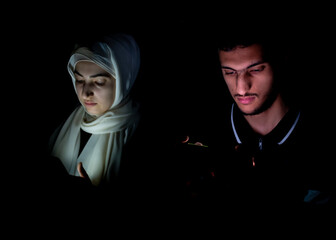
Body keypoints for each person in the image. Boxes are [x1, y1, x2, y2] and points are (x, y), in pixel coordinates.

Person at [175, 32, 335, 218]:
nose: (241, 88)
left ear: (281, 60)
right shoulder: (199, 136)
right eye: (229, 72)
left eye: (256, 69)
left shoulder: (322, 140)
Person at [45, 33, 144, 201]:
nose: (85, 93)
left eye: (98, 82)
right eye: (79, 79)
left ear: (122, 80)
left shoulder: (140, 132)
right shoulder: (68, 120)